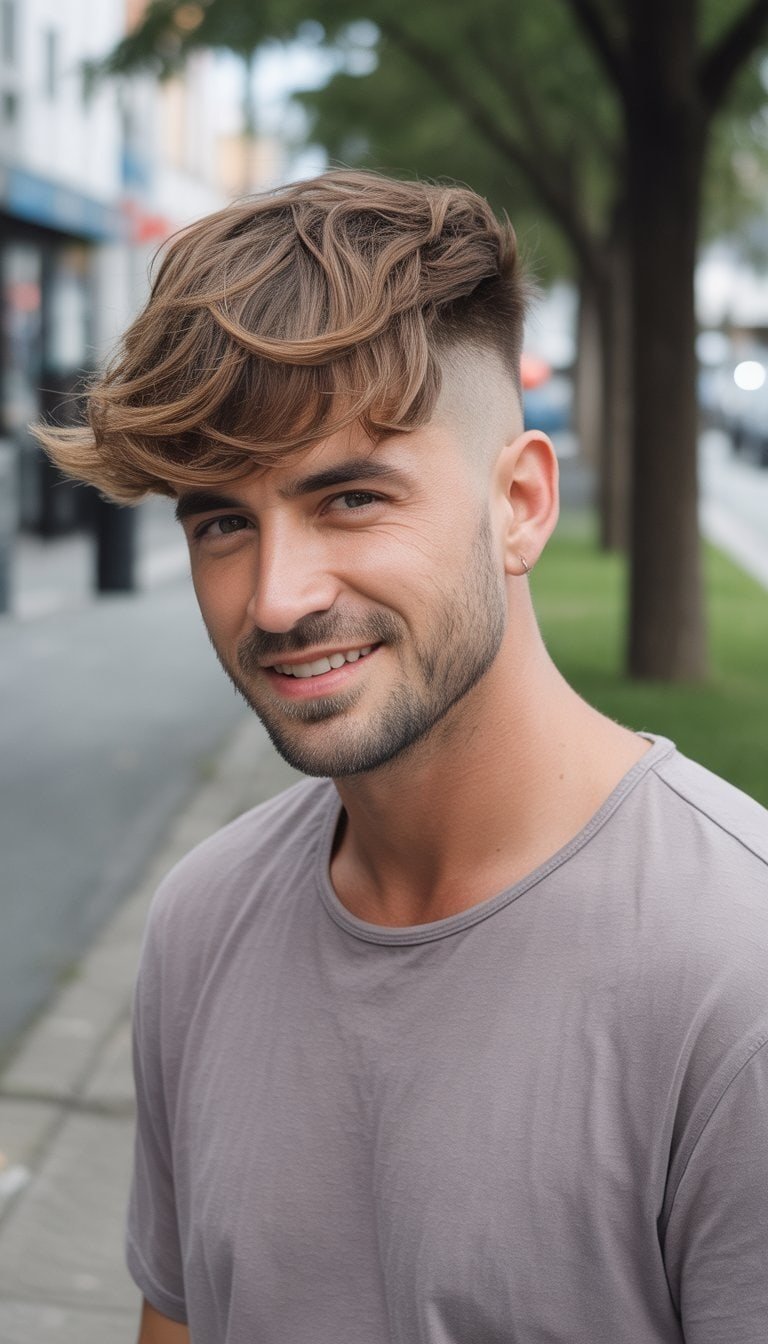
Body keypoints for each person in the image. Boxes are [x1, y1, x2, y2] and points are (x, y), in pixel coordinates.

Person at [36, 171, 768, 1344]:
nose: (276, 600)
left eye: (351, 498)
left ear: (521, 503)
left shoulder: (737, 973)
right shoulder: (202, 921)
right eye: (222, 519)